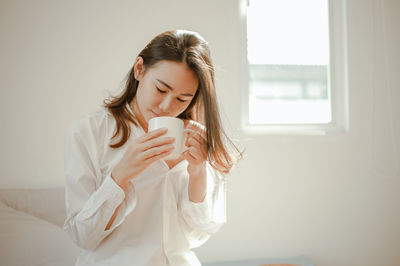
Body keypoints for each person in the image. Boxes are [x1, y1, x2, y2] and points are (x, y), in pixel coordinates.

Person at [64, 29, 241, 266]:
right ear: (139, 69)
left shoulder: (196, 138)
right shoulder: (88, 133)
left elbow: (199, 233)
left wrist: (198, 171)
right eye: (161, 89)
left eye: (182, 99)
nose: (167, 106)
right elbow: (83, 237)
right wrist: (120, 176)